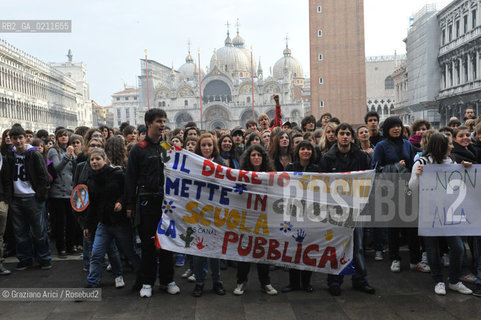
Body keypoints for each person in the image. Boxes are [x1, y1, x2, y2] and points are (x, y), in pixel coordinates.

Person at [409, 133, 472, 296]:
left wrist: (467, 169)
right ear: (440, 147)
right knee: (432, 248)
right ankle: (438, 280)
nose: (452, 147)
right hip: (429, 211)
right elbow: (412, 187)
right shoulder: (421, 162)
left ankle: (453, 280)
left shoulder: (451, 161)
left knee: (458, 247)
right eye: (449, 144)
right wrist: (417, 175)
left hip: (448, 211)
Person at [125, 108, 180, 298]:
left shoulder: (167, 148)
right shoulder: (138, 149)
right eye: (158, 121)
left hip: (166, 203)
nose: (162, 124)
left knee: (167, 243)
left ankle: (167, 280)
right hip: (146, 202)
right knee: (149, 245)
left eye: (164, 121)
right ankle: (147, 282)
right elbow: (130, 179)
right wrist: (130, 205)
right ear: (149, 123)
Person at [319, 123, 375, 296]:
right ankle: (334, 281)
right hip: (336, 209)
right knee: (336, 245)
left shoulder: (361, 157)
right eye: (341, 133)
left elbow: (369, 180)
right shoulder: (328, 158)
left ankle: (360, 279)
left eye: (347, 133)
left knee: (357, 246)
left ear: (352, 137)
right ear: (336, 136)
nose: (344, 136)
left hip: (357, 207)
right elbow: (322, 185)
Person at [372, 116, 427, 273]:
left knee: (412, 227)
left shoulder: (407, 144)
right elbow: (375, 169)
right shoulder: (381, 146)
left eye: (399, 126)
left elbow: (412, 163)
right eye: (393, 126)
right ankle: (395, 258)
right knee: (394, 228)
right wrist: (395, 167)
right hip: (390, 191)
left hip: (408, 190)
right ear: (387, 129)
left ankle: (415, 260)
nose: (396, 129)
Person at [83, 149, 141, 289]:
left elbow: (128, 191)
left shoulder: (117, 174)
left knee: (130, 253)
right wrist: (87, 225)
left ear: (105, 160)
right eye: (92, 159)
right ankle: (92, 282)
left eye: (97, 159)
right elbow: (91, 205)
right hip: (103, 224)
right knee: (96, 254)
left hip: (120, 223)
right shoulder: (90, 179)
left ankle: (143, 277)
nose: (94, 162)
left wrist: (121, 202)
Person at [232, 144, 278, 296]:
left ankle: (265, 282)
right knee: (244, 250)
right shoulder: (242, 174)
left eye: (259, 155)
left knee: (262, 250)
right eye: (253, 155)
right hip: (246, 217)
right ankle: (241, 282)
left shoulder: (270, 175)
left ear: (263, 158)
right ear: (248, 158)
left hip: (264, 218)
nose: (256, 158)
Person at [9, 124, 51, 271]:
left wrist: (40, 195)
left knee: (39, 231)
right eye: (15, 138)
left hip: (33, 197)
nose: (18, 141)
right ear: (11, 139)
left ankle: (44, 258)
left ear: (25, 138)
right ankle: (25, 259)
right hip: (16, 198)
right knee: (20, 232)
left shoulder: (34, 154)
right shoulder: (10, 154)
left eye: (20, 138)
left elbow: (44, 177)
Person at [191, 133, 226, 297]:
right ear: (199, 147)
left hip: (215, 212)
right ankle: (199, 282)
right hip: (197, 211)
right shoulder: (193, 162)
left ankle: (217, 281)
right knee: (199, 250)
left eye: (209, 145)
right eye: (203, 145)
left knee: (214, 250)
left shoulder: (220, 163)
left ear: (214, 147)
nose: (206, 148)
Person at [282, 140, 319, 293]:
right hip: (294, 213)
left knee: (308, 247)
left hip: (310, 213)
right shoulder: (290, 168)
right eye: (303, 149)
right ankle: (293, 283)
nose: (306, 152)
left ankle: (306, 282)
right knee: (293, 248)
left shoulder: (317, 169)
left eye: (308, 149)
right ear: (298, 151)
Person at [47, 129, 76, 257]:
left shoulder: (70, 150)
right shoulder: (54, 151)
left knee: (71, 221)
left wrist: (73, 157)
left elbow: (74, 170)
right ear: (57, 138)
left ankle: (70, 245)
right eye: (61, 136)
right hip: (58, 192)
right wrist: (68, 156)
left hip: (70, 191)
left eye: (66, 135)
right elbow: (57, 168)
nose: (64, 137)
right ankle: (61, 248)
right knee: (59, 222)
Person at [0, 138, 13, 275]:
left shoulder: (2, 159)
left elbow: (7, 180)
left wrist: (7, 199)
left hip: (1, 200)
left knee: (0, 234)